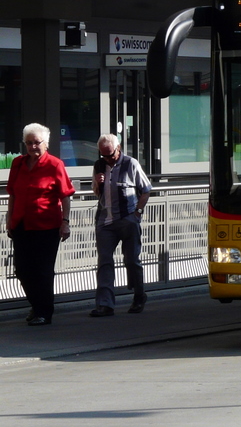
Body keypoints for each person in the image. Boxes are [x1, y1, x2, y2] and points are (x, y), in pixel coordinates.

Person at [5, 123, 75, 326]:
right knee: (22, 269)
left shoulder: (55, 165)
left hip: (47, 226)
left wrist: (65, 222)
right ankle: (36, 305)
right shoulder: (18, 163)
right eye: (28, 143)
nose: (32, 147)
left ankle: (43, 312)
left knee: (42, 271)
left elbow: (65, 196)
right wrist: (9, 218)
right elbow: (13, 194)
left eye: (36, 142)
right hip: (21, 224)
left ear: (46, 143)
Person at [90, 133, 152, 317]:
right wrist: (97, 183)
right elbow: (97, 193)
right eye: (103, 155)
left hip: (127, 218)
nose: (107, 159)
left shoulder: (130, 163)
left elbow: (146, 189)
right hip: (105, 221)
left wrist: (137, 213)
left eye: (110, 155)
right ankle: (105, 304)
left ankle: (139, 295)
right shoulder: (99, 165)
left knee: (131, 260)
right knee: (104, 261)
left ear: (118, 148)